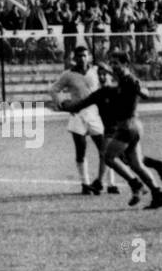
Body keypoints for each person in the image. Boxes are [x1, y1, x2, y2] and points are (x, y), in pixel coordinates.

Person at [61, 54, 162, 209]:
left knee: (108, 157)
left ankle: (136, 185)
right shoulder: (117, 84)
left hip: (128, 127)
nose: (113, 66)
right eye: (112, 63)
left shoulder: (128, 80)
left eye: (116, 63)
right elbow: (80, 105)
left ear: (125, 64)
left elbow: (142, 90)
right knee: (137, 164)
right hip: (134, 126)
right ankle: (158, 195)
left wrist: (142, 90)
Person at [49, 45, 115, 195]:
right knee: (81, 150)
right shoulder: (68, 74)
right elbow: (53, 89)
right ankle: (85, 183)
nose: (82, 59)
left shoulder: (96, 70)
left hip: (95, 113)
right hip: (78, 114)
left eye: (84, 55)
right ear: (74, 58)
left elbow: (108, 84)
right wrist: (62, 103)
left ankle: (111, 183)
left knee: (104, 150)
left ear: (89, 57)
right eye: (78, 56)